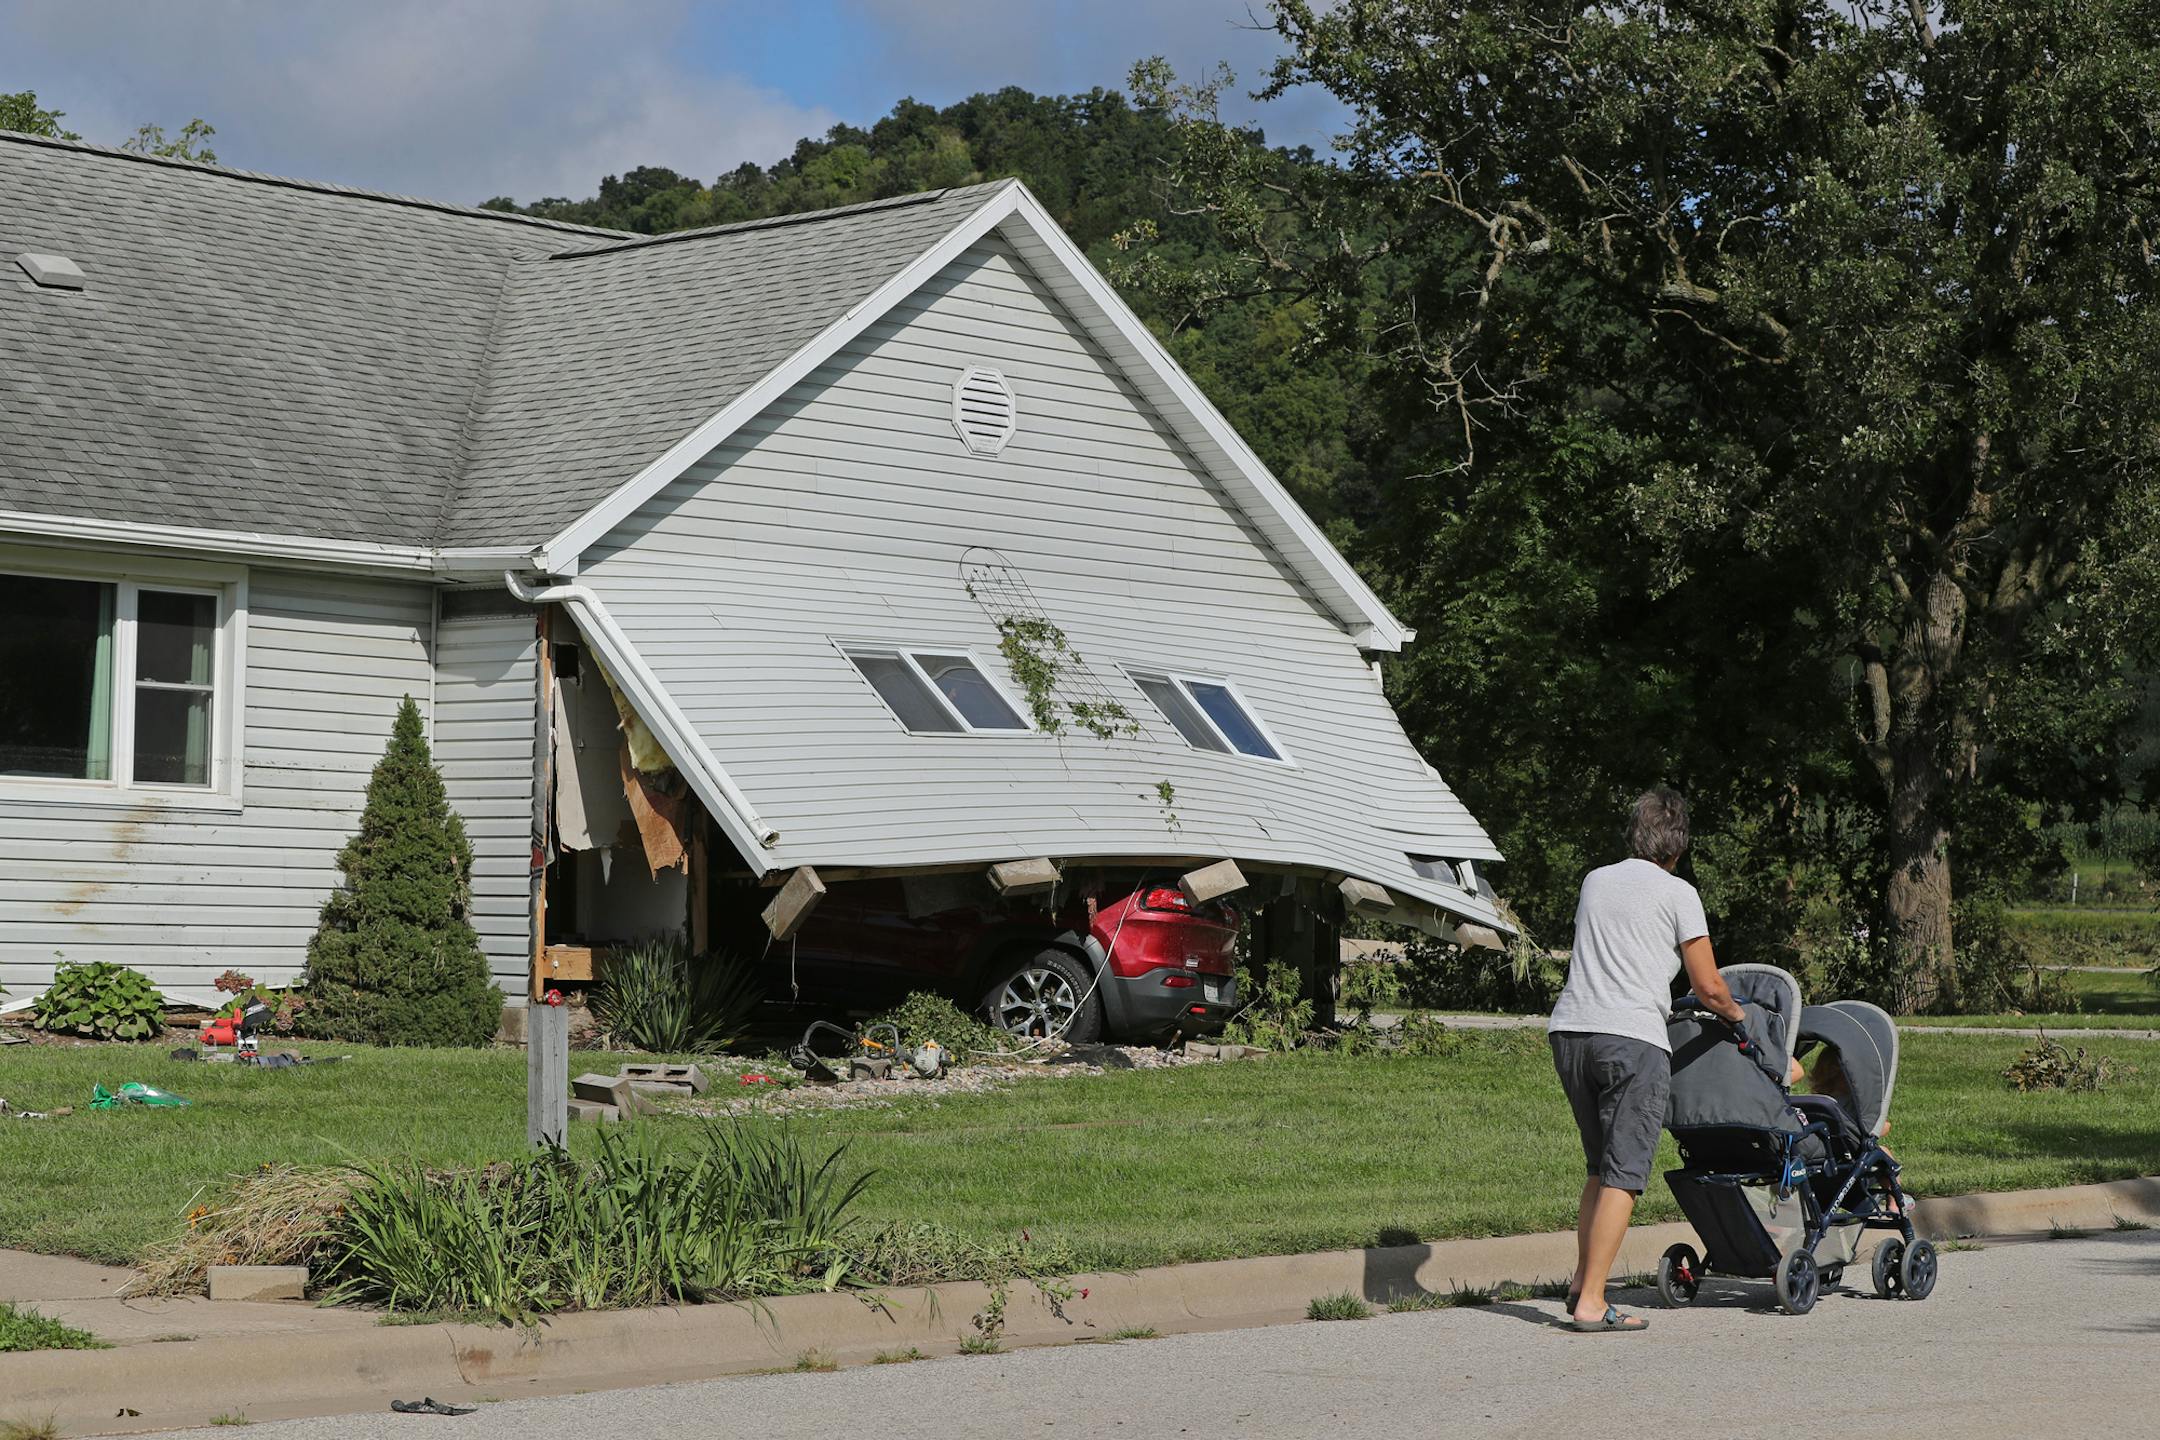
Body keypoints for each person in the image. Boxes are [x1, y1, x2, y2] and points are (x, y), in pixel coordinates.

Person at [1548, 787, 1746, 1333]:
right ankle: (1592, 1302)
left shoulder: (1595, 879)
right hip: (1630, 1039)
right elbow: (1708, 986)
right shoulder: (1679, 892)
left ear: (1635, 833)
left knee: (1599, 1168)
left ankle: (1580, 1283)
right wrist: (1740, 1017)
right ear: (1678, 845)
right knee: (1624, 1174)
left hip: (1570, 1033)